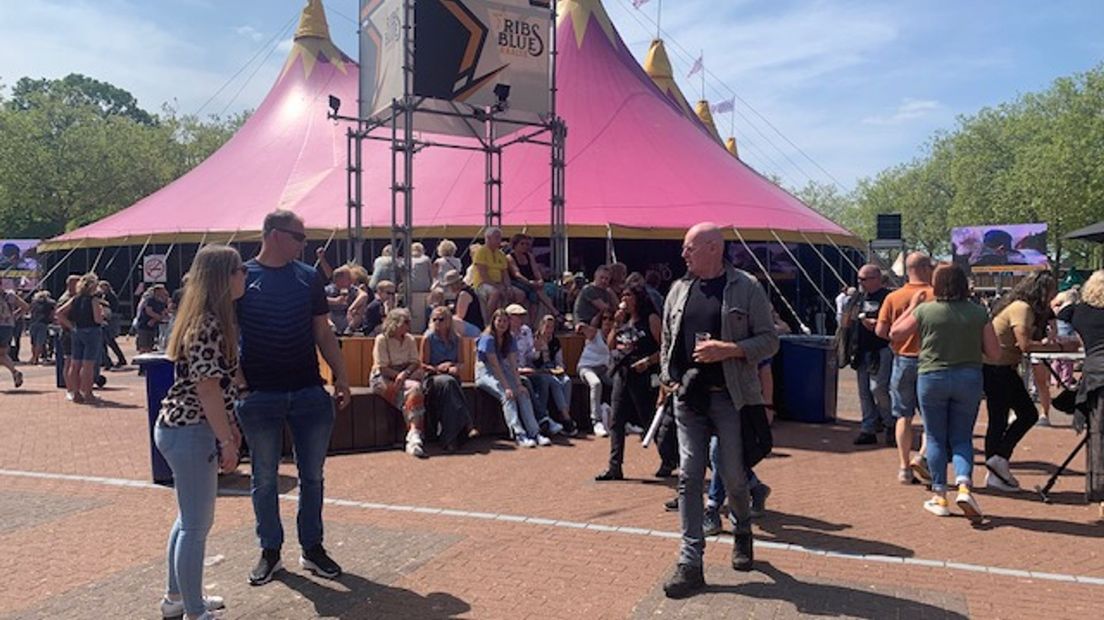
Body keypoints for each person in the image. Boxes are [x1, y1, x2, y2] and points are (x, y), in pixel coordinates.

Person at [660, 223, 779, 599]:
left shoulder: (746, 286)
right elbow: (666, 339)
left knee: (733, 477)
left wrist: (729, 349)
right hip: (689, 400)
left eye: (689, 248)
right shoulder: (679, 289)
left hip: (731, 397)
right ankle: (690, 562)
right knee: (689, 476)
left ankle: (742, 529)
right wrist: (671, 379)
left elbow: (770, 339)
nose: (684, 255)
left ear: (713, 248)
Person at [235, 210, 351, 586]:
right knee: (264, 479)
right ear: (272, 234)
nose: (304, 244)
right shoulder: (242, 277)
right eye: (298, 237)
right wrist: (240, 384)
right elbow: (225, 332)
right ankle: (270, 552)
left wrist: (342, 376)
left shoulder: (308, 278)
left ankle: (312, 548)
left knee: (313, 477)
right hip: (260, 395)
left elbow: (322, 331)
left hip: (307, 391)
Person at [154, 245, 245, 620]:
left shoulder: (206, 319)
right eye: (239, 270)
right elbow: (207, 388)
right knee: (196, 524)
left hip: (183, 427)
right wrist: (226, 439)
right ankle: (192, 609)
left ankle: (177, 597)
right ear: (223, 277)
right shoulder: (208, 324)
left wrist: (231, 429)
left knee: (187, 519)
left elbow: (217, 388)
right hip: (191, 430)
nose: (245, 275)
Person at [890, 264, 1001, 521]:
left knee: (936, 437)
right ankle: (964, 486)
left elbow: (895, 333)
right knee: (962, 437)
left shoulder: (926, 311)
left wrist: (914, 306)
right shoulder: (978, 312)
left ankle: (940, 495)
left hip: (932, 377)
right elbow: (994, 353)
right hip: (969, 377)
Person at [983, 271, 1067, 492]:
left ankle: (996, 469)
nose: (1054, 295)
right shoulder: (1023, 309)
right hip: (998, 368)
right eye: (1051, 290)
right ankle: (998, 460)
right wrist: (1059, 347)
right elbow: (1025, 345)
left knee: (999, 419)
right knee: (1026, 414)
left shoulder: (1017, 306)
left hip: (997, 367)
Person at [876, 252, 935, 484]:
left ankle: (903, 466)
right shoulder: (935, 295)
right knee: (932, 417)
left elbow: (881, 332)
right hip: (930, 361)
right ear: (927, 268)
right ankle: (922, 457)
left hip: (902, 359)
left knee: (903, 415)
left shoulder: (894, 297)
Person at [595, 284, 662, 481]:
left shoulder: (650, 319)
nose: (624, 298)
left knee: (648, 418)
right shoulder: (623, 321)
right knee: (616, 420)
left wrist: (649, 361)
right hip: (622, 373)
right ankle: (615, 466)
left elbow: (665, 347)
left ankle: (669, 458)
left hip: (644, 374)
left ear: (638, 298)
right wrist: (616, 323)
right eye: (622, 294)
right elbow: (611, 345)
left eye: (628, 295)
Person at [1056, 270, 1104, 511]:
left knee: (1099, 433)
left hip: (1096, 375)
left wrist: (1072, 296)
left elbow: (1062, 311)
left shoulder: (1080, 312)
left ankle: (1100, 491)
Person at [475, 309, 549, 448]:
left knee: (522, 393)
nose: (502, 324)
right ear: (494, 321)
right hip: (485, 372)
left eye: (505, 321)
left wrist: (518, 384)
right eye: (499, 321)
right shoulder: (488, 338)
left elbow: (513, 364)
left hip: (504, 368)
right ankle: (518, 433)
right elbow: (494, 365)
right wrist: (507, 387)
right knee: (507, 396)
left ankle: (535, 432)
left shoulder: (510, 338)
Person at [370, 308, 429, 458]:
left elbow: (415, 362)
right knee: (414, 391)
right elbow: (382, 367)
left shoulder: (409, 339)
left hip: (406, 376)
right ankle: (415, 435)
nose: (408, 326)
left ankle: (413, 437)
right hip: (382, 378)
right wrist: (399, 375)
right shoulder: (381, 339)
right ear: (394, 323)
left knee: (414, 389)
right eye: (405, 322)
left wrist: (405, 374)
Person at [420, 306, 476, 451]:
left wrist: (454, 367)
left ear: (449, 321)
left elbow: (461, 362)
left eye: (441, 319)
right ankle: (467, 422)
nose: (437, 322)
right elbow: (422, 365)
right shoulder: (428, 338)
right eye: (434, 319)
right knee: (448, 383)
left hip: (451, 378)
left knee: (450, 390)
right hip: (433, 378)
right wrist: (439, 368)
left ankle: (449, 439)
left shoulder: (456, 339)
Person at [848, 264, 893, 445]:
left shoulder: (888, 297)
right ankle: (868, 428)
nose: (860, 282)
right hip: (861, 348)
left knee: (879, 388)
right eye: (859, 279)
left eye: (864, 279)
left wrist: (878, 324)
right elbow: (848, 320)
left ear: (876, 279)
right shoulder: (858, 297)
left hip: (881, 348)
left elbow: (894, 321)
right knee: (864, 391)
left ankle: (890, 422)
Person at [508, 304, 565, 436]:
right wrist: (520, 370)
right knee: (526, 382)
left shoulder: (526, 330)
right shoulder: (505, 335)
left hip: (527, 368)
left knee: (545, 380)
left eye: (522, 316)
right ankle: (543, 419)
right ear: (510, 318)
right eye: (518, 316)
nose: (521, 319)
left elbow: (529, 355)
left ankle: (546, 419)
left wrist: (537, 351)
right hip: (512, 371)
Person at [56, 274, 105, 403]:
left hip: (77, 331)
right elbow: (97, 319)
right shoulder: (93, 300)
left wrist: (71, 326)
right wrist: (102, 315)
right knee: (88, 365)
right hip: (92, 331)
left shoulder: (75, 299)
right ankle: (88, 393)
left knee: (75, 363)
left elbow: (59, 313)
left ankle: (76, 393)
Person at [527, 314, 579, 437]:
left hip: (552, 369)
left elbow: (559, 361)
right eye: (547, 326)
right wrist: (538, 350)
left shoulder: (555, 341)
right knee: (550, 381)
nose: (549, 330)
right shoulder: (535, 339)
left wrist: (560, 368)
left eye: (552, 327)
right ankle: (549, 418)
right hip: (538, 370)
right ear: (541, 326)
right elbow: (532, 360)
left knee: (566, 381)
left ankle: (564, 415)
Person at [575, 314, 614, 436]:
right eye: (605, 319)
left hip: (603, 370)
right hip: (586, 368)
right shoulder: (594, 333)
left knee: (621, 383)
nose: (607, 322)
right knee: (596, 383)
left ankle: (621, 419)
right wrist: (580, 326)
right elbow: (582, 328)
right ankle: (596, 421)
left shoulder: (615, 336)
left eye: (610, 319)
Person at [507, 233, 560, 318]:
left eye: (526, 244)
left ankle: (535, 323)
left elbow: (535, 271)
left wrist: (540, 280)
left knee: (540, 292)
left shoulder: (529, 256)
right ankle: (555, 312)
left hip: (532, 283)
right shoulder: (510, 257)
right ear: (515, 244)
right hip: (518, 283)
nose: (525, 246)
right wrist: (529, 283)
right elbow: (517, 274)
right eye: (522, 244)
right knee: (538, 291)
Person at [472, 227, 522, 314]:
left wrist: (508, 287)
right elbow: (483, 275)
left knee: (519, 294)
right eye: (497, 237)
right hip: (483, 283)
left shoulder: (501, 254)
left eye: (500, 237)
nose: (499, 240)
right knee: (495, 293)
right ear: (488, 238)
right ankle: (489, 319)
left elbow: (505, 274)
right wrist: (497, 286)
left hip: (499, 283)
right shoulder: (481, 252)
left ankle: (508, 317)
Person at [0, 286, 29, 388]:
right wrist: (14, 316)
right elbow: (25, 307)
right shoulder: (9, 295)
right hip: (8, 327)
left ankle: (15, 372)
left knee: (2, 354)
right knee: (2, 354)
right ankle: (15, 372)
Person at [442, 269, 484, 337]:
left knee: (451, 320)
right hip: (469, 327)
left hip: (475, 329)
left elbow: (460, 316)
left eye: (451, 285)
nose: (450, 288)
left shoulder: (464, 294)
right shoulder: (461, 293)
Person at [98, 281, 127, 368]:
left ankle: (115, 360)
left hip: (110, 321)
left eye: (103, 287)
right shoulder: (104, 296)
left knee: (109, 341)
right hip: (107, 320)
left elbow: (112, 308)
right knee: (106, 342)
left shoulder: (110, 296)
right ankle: (106, 360)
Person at [137, 285, 169, 353]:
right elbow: (149, 311)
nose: (163, 292)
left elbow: (164, 312)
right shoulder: (150, 299)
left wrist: (154, 320)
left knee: (150, 346)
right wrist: (157, 317)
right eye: (162, 290)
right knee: (143, 345)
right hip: (144, 324)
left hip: (153, 325)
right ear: (157, 291)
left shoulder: (163, 301)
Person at [324, 265, 355, 334]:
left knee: (358, 309)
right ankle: (332, 328)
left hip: (346, 317)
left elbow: (364, 295)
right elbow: (318, 300)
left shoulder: (352, 289)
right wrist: (334, 301)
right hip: (332, 317)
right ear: (339, 279)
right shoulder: (328, 290)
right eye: (348, 278)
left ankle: (350, 328)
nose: (351, 280)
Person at [27, 290, 55, 366]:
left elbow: (29, 311)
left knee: (33, 342)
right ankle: (36, 358)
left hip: (32, 323)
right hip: (43, 323)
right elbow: (52, 314)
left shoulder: (34, 303)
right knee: (40, 342)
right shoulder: (50, 303)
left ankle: (33, 357)